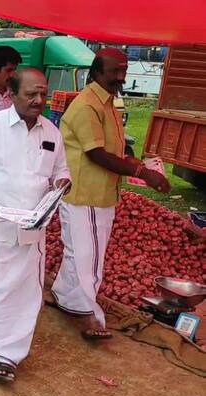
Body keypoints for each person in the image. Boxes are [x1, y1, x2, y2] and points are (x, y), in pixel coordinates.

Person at [0, 68, 71, 382]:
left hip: (31, 230)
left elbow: (61, 172)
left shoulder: (51, 132)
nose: (38, 100)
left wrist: (62, 183)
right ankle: (0, 348)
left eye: (42, 94)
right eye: (30, 94)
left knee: (25, 295)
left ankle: (6, 354)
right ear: (12, 93)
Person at [51, 48, 171, 339]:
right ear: (95, 72)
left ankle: (65, 297)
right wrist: (142, 173)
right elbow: (96, 154)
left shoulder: (107, 104)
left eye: (124, 70)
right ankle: (92, 317)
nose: (120, 77)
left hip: (97, 194)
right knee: (89, 258)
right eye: (114, 71)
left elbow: (113, 149)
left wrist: (134, 161)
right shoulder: (86, 106)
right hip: (87, 196)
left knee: (77, 252)